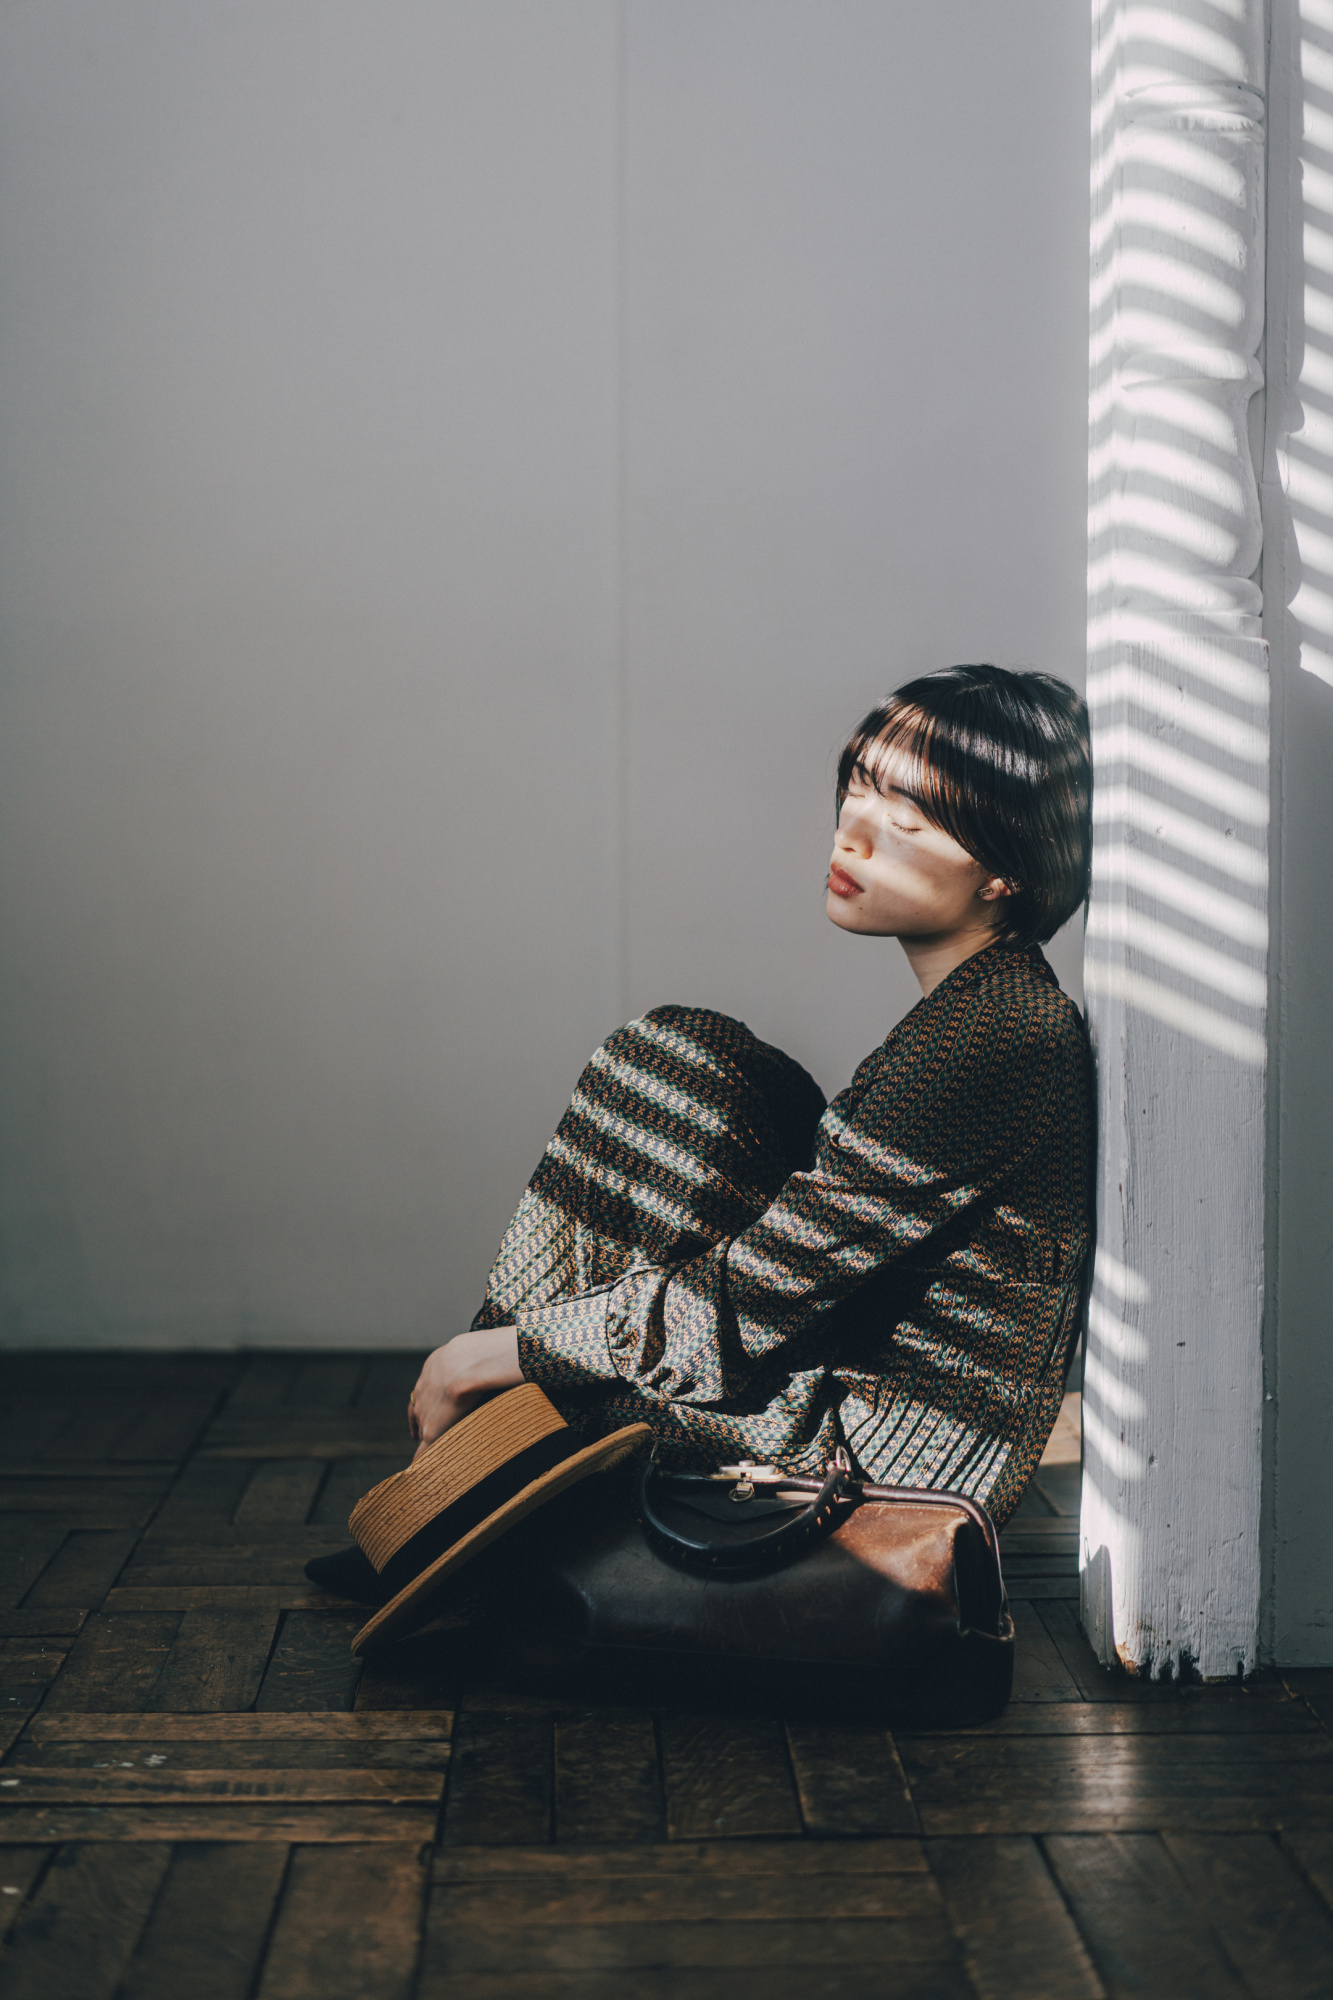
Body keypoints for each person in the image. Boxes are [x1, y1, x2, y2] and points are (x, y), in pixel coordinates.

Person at [407, 663, 1093, 1530]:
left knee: (560, 1363)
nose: (852, 834)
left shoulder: (992, 1038)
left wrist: (493, 1354)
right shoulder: (985, 1009)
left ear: (1004, 874)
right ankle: (471, 1482)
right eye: (857, 787)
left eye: (905, 821)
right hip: (835, 1393)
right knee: (678, 1061)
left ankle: (462, 1492)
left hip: (857, 1458)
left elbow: (747, 1301)